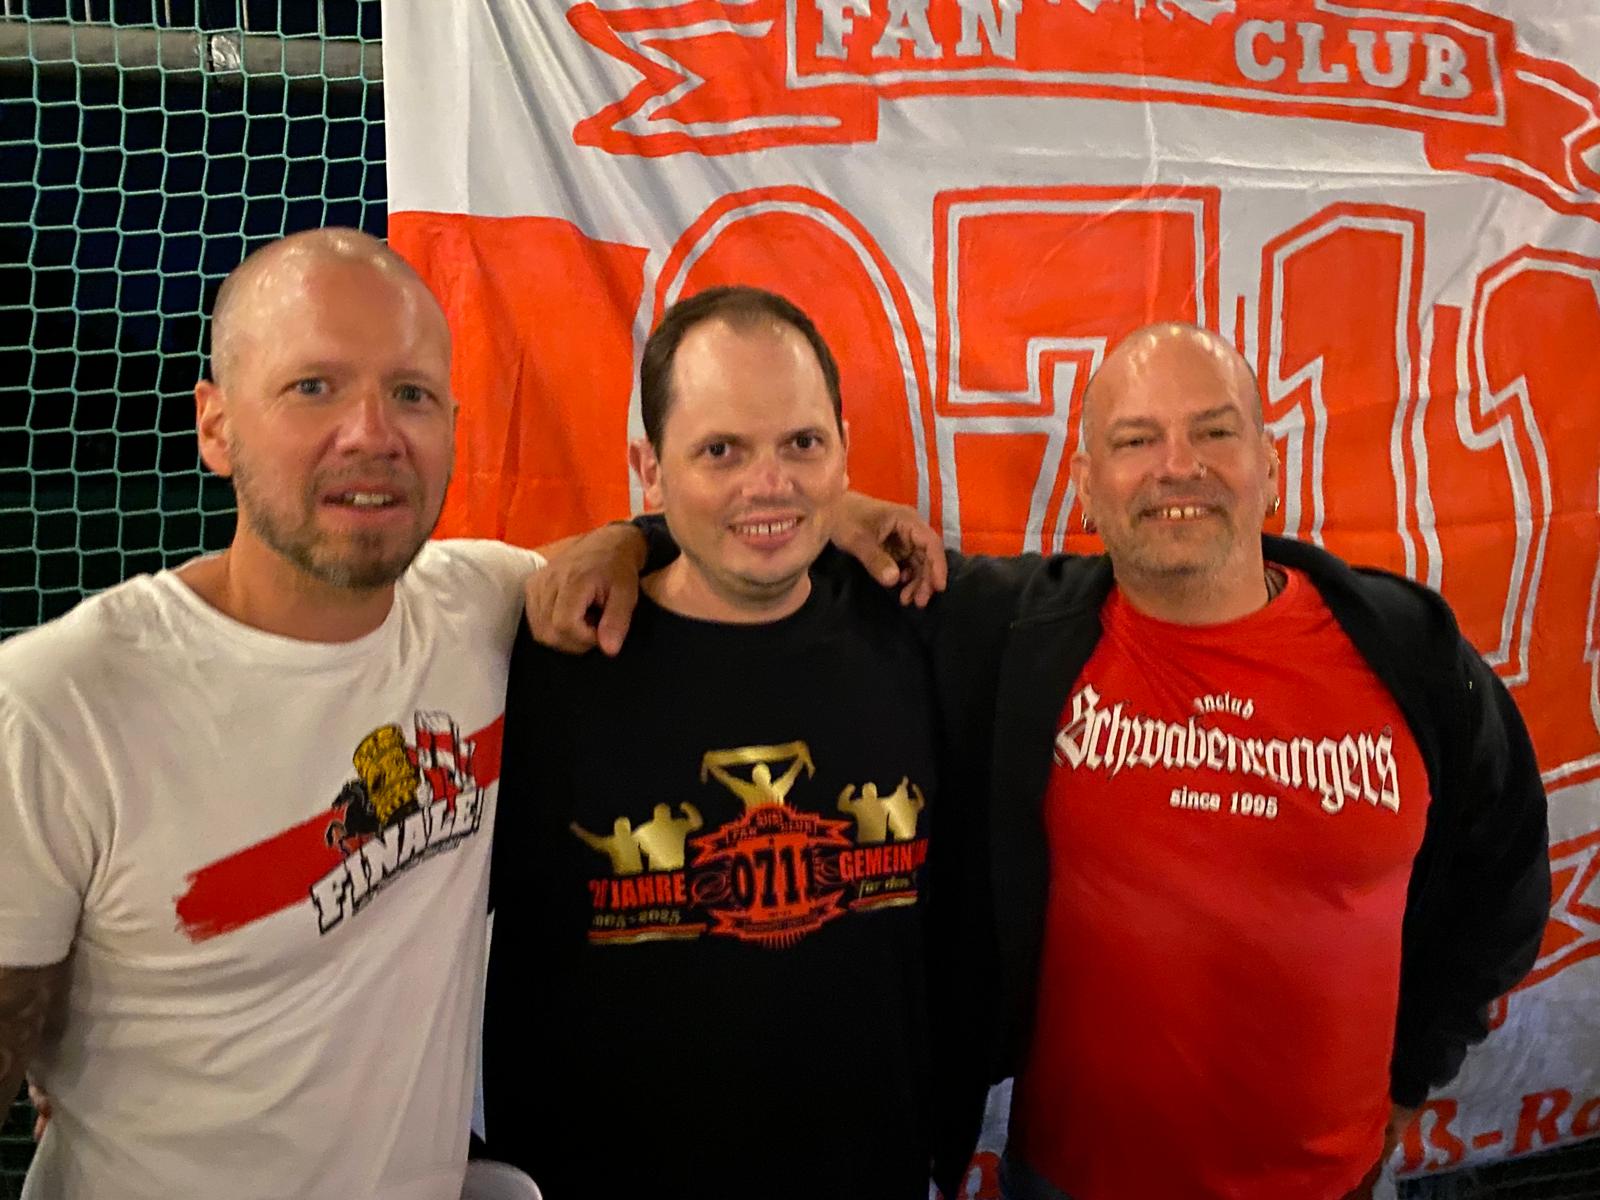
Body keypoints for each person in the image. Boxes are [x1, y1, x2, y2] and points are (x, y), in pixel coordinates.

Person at [530, 322, 1551, 1200]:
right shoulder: (1012, 631)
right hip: (1067, 1180)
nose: (1177, 466)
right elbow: (749, 529)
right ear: (1086, 484)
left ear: (1268, 462)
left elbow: (1502, 878)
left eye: (1213, 432)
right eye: (1135, 440)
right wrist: (630, 540)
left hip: (1334, 1184)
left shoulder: (1407, 651)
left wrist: (1413, 1072)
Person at [0, 228, 545, 1200]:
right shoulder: (56, 703)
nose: (372, 433)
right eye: (313, 387)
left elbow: (652, 564)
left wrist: (652, 541)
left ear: (454, 428)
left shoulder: (489, 610)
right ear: (215, 427)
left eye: (411, 394)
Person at [480, 286, 943, 1200]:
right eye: (721, 450)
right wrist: (627, 541)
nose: (768, 484)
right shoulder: (536, 658)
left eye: (801, 444)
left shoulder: (923, 627)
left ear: (844, 450)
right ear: (649, 470)